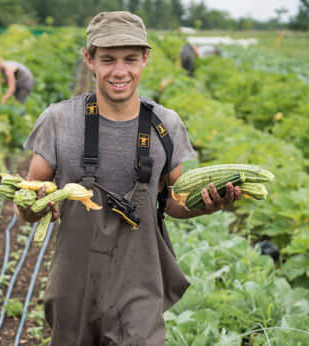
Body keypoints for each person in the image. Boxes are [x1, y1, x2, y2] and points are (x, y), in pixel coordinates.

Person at [18, 11, 241, 345]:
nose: (120, 71)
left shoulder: (166, 126)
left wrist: (208, 205)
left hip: (139, 283)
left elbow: (174, 202)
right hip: (74, 285)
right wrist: (34, 207)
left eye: (130, 59)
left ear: (145, 59)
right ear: (89, 58)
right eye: (107, 59)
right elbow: (27, 206)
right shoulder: (59, 121)